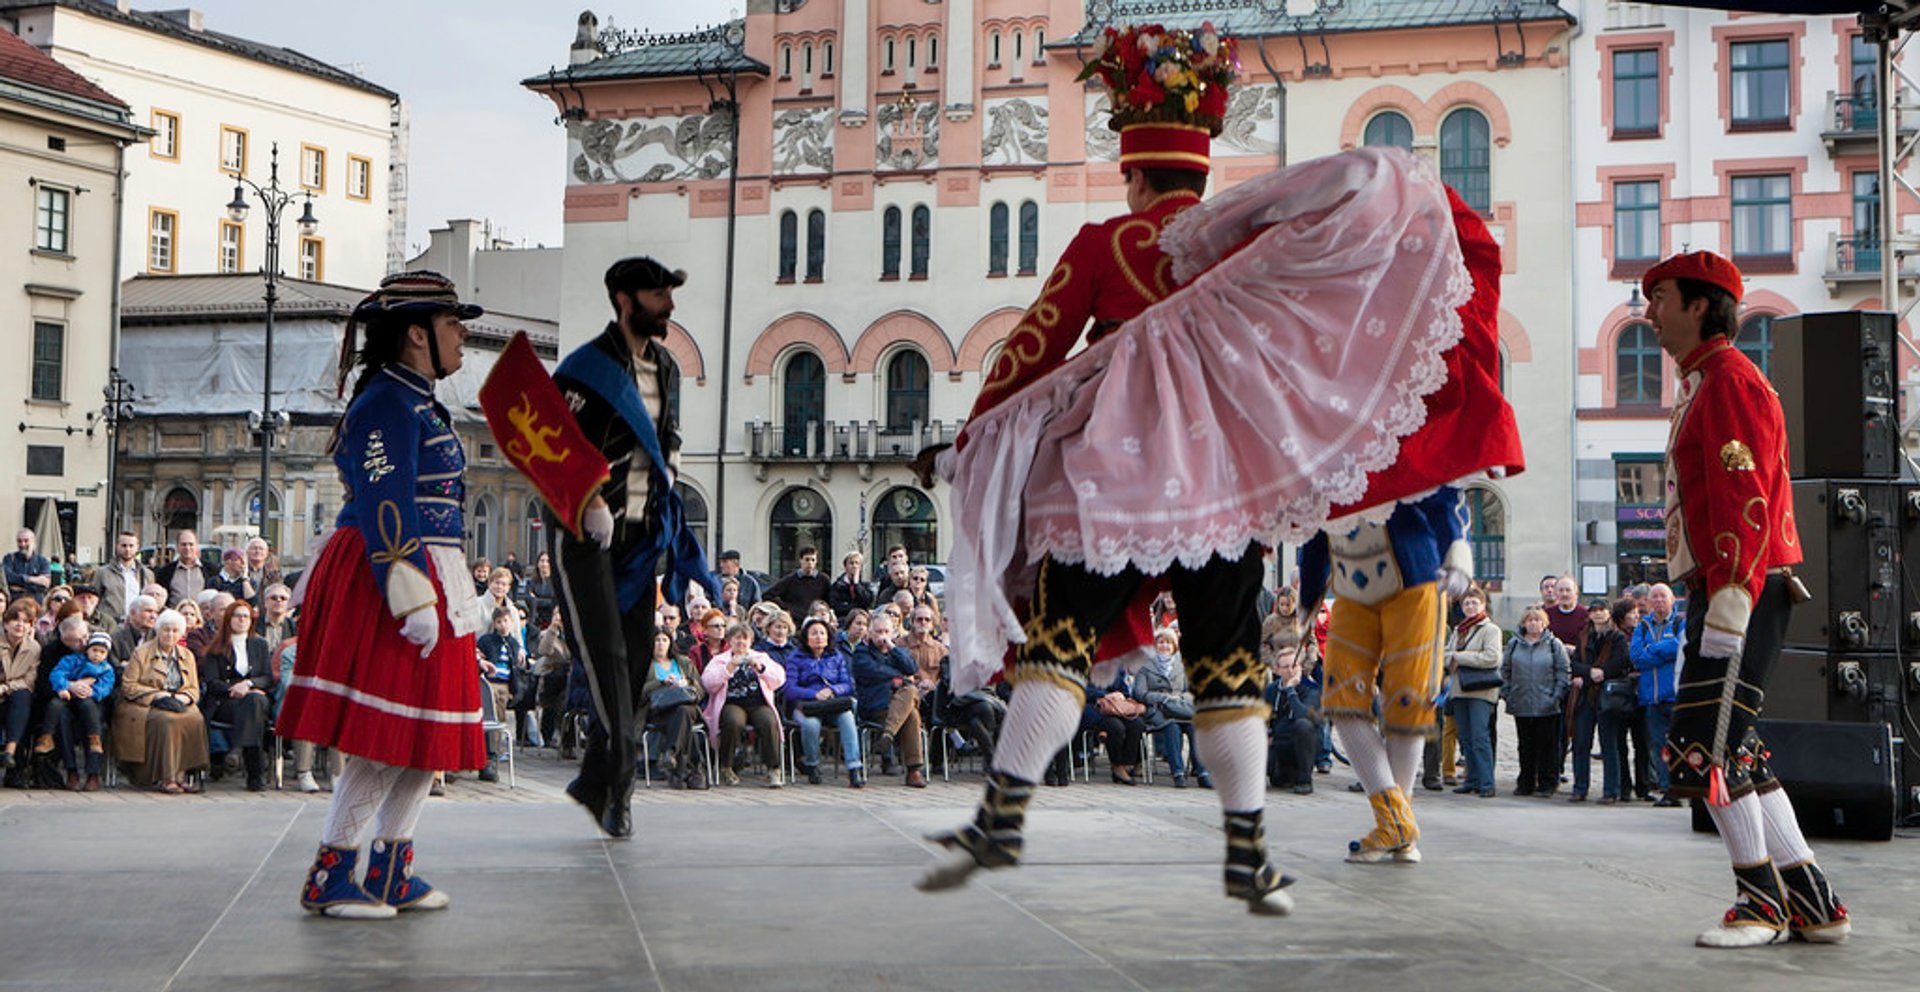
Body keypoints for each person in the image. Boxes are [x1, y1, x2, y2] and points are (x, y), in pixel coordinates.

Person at [1642, 251, 1848, 946]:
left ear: (1700, 304)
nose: (1649, 312)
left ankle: (1761, 904)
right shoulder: (1708, 377)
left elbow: (1745, 492)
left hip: (1741, 587)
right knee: (1740, 749)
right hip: (1737, 585)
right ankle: (1813, 904)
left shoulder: (1727, 379)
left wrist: (1730, 595)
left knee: (1708, 746)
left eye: (1661, 297)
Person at [277, 271, 492, 919]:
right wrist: (406, 587)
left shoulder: (420, 401)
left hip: (432, 569)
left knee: (427, 740)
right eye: (454, 324)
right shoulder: (385, 404)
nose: (463, 336)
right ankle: (331, 872)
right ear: (416, 335)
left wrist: (455, 587)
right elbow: (382, 500)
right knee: (383, 738)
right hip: (389, 570)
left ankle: (392, 867)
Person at [535, 254, 718, 838]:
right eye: (659, 295)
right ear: (625, 300)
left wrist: (673, 469)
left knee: (637, 664)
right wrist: (589, 502)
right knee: (607, 661)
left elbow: (670, 437)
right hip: (585, 539)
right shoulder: (584, 369)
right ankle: (620, 790)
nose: (669, 306)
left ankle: (603, 787)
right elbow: (550, 448)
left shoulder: (665, 366)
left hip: (640, 540)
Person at [114, 608, 209, 793]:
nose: (170, 634)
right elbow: (129, 686)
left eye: (175, 631)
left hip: (177, 700)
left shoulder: (187, 655)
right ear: (158, 630)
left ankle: (182, 774)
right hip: (146, 703)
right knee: (167, 721)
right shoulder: (141, 653)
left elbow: (193, 688)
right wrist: (158, 695)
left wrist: (183, 697)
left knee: (195, 719)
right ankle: (167, 777)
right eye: (166, 630)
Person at [197, 599, 276, 791]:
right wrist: (234, 689)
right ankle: (254, 772)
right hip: (225, 702)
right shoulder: (215, 647)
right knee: (252, 707)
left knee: (254, 701)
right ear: (228, 619)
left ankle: (237, 751)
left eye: (246, 616)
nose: (242, 620)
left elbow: (267, 678)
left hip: (255, 698)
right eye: (237, 616)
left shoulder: (260, 645)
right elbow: (212, 682)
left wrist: (248, 684)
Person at [700, 622, 785, 787]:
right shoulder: (720, 660)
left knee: (768, 721)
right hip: (732, 702)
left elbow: (779, 680)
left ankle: (774, 768)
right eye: (737, 638)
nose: (741, 642)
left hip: (758, 703)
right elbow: (708, 684)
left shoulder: (761, 657)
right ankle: (727, 766)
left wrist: (761, 669)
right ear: (730, 640)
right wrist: (728, 668)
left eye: (745, 639)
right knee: (733, 721)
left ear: (751, 641)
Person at [850, 611, 928, 788]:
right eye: (878, 632)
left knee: (911, 711)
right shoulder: (861, 653)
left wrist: (893, 648)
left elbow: (911, 667)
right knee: (910, 696)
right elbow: (874, 672)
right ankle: (913, 771)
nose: (882, 637)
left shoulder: (896, 651)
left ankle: (888, 735)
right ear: (869, 633)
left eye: (886, 632)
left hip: (895, 710)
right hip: (875, 706)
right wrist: (900, 678)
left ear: (893, 633)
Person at [782, 616, 863, 787]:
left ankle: (854, 768)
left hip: (833, 703)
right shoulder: (795, 658)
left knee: (847, 718)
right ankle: (812, 765)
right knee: (811, 725)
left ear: (828, 638)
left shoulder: (836, 656)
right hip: (808, 705)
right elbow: (789, 689)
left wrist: (833, 690)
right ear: (806, 637)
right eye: (814, 633)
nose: (819, 637)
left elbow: (848, 684)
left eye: (822, 633)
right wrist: (814, 694)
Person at [1500, 606, 1569, 797]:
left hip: (1547, 704)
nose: (1533, 623)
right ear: (1523, 623)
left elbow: (1563, 671)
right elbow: (1505, 670)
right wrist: (1507, 693)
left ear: (1544, 623)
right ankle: (1526, 782)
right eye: (1529, 620)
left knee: (1547, 746)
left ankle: (1548, 782)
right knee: (1525, 745)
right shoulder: (1514, 644)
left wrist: (1555, 696)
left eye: (1537, 620)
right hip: (1521, 702)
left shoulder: (1554, 645)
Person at [1444, 587, 1502, 798]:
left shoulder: (1490, 630)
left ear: (1483, 604)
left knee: (1480, 737)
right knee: (1465, 738)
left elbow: (1492, 657)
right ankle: (1472, 780)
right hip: (1459, 690)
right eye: (1466, 603)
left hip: (1481, 691)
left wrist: (1460, 657)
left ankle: (1487, 783)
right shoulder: (1459, 629)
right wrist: (1452, 657)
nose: (1470, 606)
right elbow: (1445, 654)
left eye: (1474, 603)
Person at [41, 630, 116, 791]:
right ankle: (71, 770)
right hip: (69, 698)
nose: (97, 655)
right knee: (59, 713)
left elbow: (107, 686)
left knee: (92, 716)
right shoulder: (73, 660)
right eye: (94, 650)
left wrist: (93, 692)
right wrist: (67, 686)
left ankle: (93, 773)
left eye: (102, 652)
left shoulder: (106, 668)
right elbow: (57, 674)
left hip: (92, 702)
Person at [1135, 627, 1207, 789]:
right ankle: (1178, 773)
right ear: (1155, 645)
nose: (1164, 646)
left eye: (1168, 643)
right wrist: (1163, 698)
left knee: (1195, 727)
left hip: (1180, 707)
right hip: (1158, 709)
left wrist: (1180, 698)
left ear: (1174, 646)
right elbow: (1139, 693)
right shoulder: (1145, 665)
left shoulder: (1182, 665)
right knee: (1171, 727)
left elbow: (1191, 690)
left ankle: (1203, 773)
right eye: (1161, 642)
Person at [1631, 582, 1683, 807]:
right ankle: (1666, 788)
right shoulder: (1641, 627)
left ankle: (1681, 788)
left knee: (1678, 746)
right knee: (1659, 746)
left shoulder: (1681, 623)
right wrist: (1664, 650)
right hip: (1651, 698)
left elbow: (1681, 647)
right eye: (1655, 597)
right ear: (1649, 602)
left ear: (1672, 600)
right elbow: (1637, 658)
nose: (1659, 601)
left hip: (1675, 697)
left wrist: (1652, 648)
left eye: (1663, 596)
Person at [640, 629, 707, 789]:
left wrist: (686, 683)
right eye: (657, 640)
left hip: (688, 707)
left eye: (664, 640)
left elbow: (700, 690)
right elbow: (637, 693)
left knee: (683, 711)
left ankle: (672, 754)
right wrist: (662, 683)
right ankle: (692, 771)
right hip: (659, 712)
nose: (661, 644)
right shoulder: (644, 664)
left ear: (670, 643)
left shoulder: (683, 662)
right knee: (684, 721)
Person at [1592, 599, 1638, 805]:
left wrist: (1602, 672)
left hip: (1613, 694)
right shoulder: (1586, 635)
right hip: (1591, 692)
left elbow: (1621, 660)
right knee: (1607, 742)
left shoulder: (1616, 637)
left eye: (1602, 610)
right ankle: (1616, 787)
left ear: (1609, 613)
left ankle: (1616, 789)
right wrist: (1588, 672)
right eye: (1594, 611)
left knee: (1615, 743)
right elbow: (1579, 661)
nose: (1598, 614)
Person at [1264, 636, 1318, 794]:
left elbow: (1303, 715)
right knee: (1279, 781)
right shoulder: (1271, 690)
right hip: (1279, 743)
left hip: (1301, 744)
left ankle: (1305, 780)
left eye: (1294, 666)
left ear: (1300, 667)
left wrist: (1290, 690)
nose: (1290, 670)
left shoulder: (1311, 689)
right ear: (1277, 670)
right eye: (1285, 667)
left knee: (1303, 725)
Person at [0, 602, 41, 774]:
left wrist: (5, 687)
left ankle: (10, 751)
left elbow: (29, 680)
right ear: (5, 623)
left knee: (22, 697)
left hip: (12, 693)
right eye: (15, 620)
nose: (20, 625)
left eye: (25, 622)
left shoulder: (34, 648)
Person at [92, 532, 154, 623]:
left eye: (131, 546)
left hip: (137, 623)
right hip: (110, 623)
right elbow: (94, 599)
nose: (127, 549)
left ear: (137, 547)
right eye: (124, 546)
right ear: (117, 546)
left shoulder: (147, 574)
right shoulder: (102, 572)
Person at [765, 546, 829, 622]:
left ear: (816, 561)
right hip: (795, 620)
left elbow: (828, 600)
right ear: (800, 560)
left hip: (816, 620)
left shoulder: (823, 580)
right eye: (807, 559)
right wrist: (785, 608)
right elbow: (768, 595)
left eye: (813, 560)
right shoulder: (790, 580)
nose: (810, 563)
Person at [154, 531, 214, 607]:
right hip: (174, 616)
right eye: (183, 544)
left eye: (191, 544)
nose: (187, 548)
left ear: (197, 546)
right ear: (177, 547)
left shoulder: (211, 569)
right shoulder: (165, 572)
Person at [3, 529, 51, 602]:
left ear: (33, 542)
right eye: (19, 541)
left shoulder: (43, 561)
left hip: (36, 604)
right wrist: (31, 579)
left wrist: (18, 584)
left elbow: (44, 585)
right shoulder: (9, 558)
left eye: (26, 541)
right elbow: (7, 577)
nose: (23, 544)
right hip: (14, 603)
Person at [828, 550, 874, 622]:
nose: (854, 566)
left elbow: (867, 602)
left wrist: (856, 584)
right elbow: (836, 606)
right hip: (843, 620)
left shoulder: (865, 586)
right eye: (851, 563)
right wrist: (857, 607)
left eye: (857, 563)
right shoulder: (837, 586)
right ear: (845, 566)